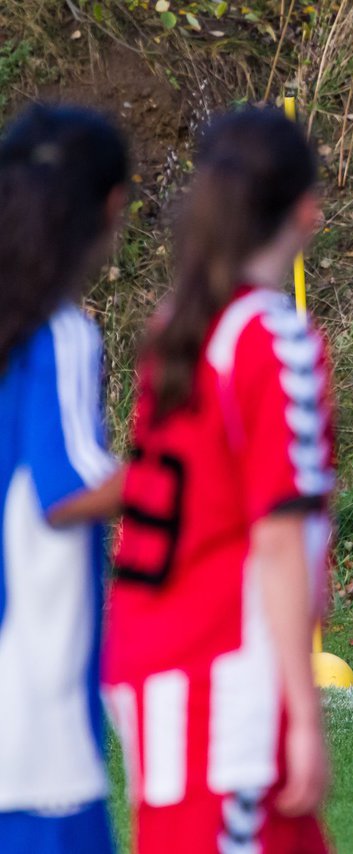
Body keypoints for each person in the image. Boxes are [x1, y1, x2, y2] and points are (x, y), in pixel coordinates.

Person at [103, 107, 334, 853]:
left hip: (153, 662)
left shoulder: (179, 325)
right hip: (223, 684)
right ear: (307, 210)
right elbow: (275, 537)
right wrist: (302, 712)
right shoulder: (274, 338)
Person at [0, 104, 129, 853]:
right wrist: (194, 466)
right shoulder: (57, 332)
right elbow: (68, 490)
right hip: (32, 732)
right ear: (111, 206)